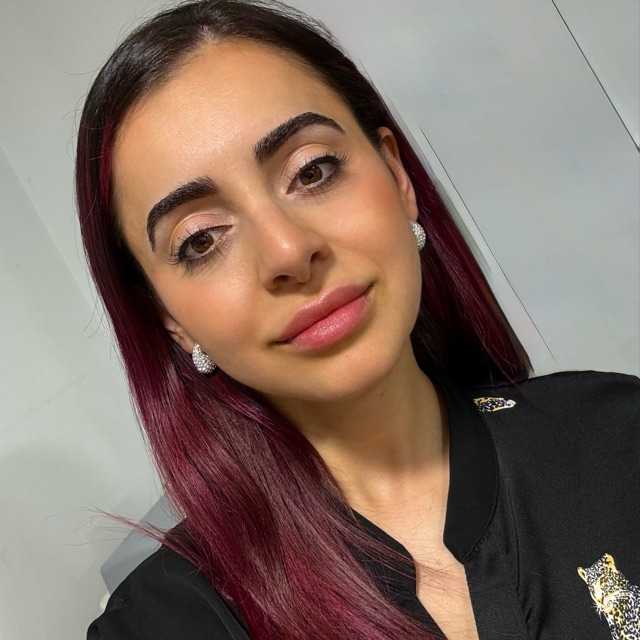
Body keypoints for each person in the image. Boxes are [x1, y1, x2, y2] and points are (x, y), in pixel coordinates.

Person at [76, 1, 640, 638]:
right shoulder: (160, 623)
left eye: (312, 171)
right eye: (202, 239)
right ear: (169, 318)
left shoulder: (618, 437)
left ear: (396, 176)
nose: (289, 252)